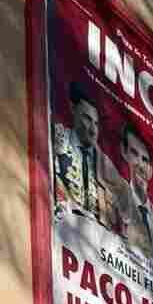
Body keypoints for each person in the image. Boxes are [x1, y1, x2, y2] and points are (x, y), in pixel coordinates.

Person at [52, 82, 118, 226]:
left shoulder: (102, 163)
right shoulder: (58, 137)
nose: (93, 130)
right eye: (87, 119)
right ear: (73, 109)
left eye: (96, 123)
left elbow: (112, 218)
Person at [113, 122, 153, 261]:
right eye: (134, 154)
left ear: (151, 169)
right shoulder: (115, 199)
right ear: (124, 152)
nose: (140, 165)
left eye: (145, 160)